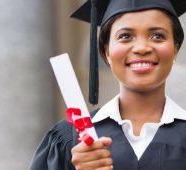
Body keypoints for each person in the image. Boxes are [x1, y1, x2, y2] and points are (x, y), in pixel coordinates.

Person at [29, 0, 186, 169]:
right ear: (106, 51)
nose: (141, 48)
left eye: (158, 36)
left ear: (175, 48)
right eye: (125, 36)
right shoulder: (67, 140)